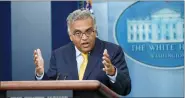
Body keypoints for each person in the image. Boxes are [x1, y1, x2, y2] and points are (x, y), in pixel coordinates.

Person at [33, 9, 131, 96]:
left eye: (88, 31)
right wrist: (40, 74)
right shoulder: (59, 55)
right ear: (70, 36)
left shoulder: (113, 51)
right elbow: (50, 90)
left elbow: (125, 89)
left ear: (95, 31)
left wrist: (112, 72)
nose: (84, 38)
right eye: (78, 33)